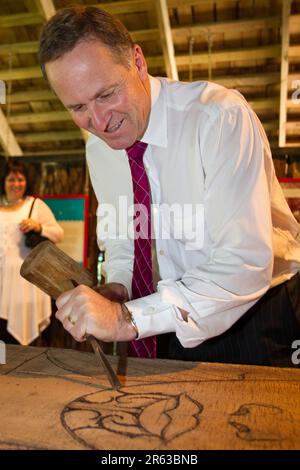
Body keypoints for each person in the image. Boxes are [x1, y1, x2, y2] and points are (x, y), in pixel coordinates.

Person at [39, 5, 300, 367]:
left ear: (138, 62)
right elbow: (123, 239)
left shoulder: (219, 118)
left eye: (106, 94)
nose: (99, 121)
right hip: (163, 321)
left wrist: (126, 319)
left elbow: (243, 263)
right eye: (78, 106)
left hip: (256, 319)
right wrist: (118, 287)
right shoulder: (99, 149)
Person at [0, 159, 64, 345]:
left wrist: (39, 227)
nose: (16, 184)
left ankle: (22, 372)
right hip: (2, 279)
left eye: (20, 179)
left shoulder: (35, 205)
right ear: (3, 181)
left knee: (21, 332)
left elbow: (58, 234)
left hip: (24, 280)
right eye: (11, 179)